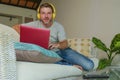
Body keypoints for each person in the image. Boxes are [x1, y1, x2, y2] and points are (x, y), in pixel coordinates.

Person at [21, 2, 94, 71]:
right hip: (48, 53)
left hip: (62, 50)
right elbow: (18, 27)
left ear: (53, 14)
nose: (46, 16)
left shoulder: (58, 26)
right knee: (42, 58)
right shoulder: (34, 24)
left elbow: (65, 43)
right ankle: (69, 64)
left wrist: (57, 45)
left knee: (89, 66)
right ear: (39, 15)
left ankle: (75, 59)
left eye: (49, 13)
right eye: (43, 13)